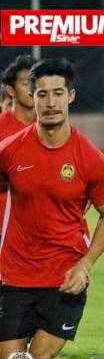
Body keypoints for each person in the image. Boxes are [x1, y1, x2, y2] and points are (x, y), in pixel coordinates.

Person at [0, 58, 104, 359]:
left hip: (65, 275)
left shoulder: (90, 157)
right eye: (42, 94)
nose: (50, 102)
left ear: (71, 96)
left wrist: (85, 263)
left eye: (57, 93)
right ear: (31, 96)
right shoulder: (9, 152)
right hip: (15, 274)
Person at [0, 56, 37, 229]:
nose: (32, 88)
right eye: (25, 83)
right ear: (10, 90)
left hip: (40, 226)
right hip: (4, 227)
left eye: (35, 82)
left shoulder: (51, 127)